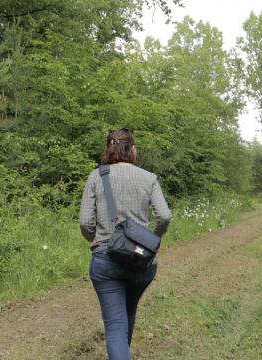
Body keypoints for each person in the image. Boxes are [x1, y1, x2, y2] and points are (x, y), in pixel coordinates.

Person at [79, 128, 172, 360]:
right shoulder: (148, 178)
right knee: (127, 313)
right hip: (141, 261)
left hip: (105, 260)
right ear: (131, 149)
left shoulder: (96, 176)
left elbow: (85, 222)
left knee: (115, 325)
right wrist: (151, 240)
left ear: (109, 148)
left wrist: (98, 240)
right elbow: (164, 216)